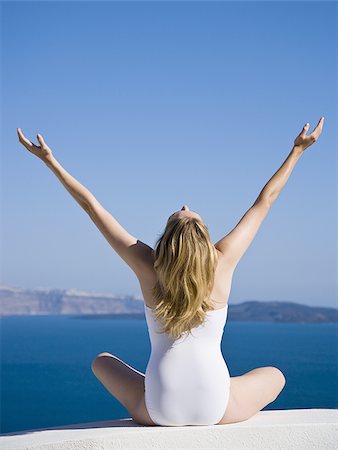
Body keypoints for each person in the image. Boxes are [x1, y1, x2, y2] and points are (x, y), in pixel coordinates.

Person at [17, 117, 325, 426]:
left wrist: (51, 162)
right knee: (274, 376)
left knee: (102, 362)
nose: (185, 202)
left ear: (165, 241)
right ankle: (205, 383)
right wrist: (297, 151)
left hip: (157, 408)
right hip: (215, 406)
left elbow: (92, 208)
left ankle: (167, 384)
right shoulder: (223, 260)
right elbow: (265, 201)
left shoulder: (147, 265)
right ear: (205, 239)